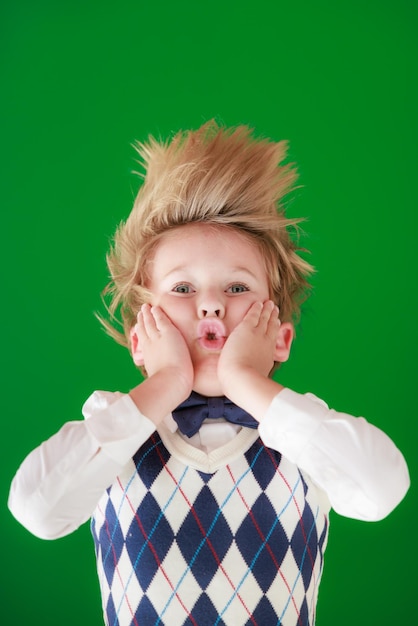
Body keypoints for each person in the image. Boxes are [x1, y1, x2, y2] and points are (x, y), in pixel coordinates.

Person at [8, 121, 410, 626]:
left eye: (238, 288)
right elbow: (36, 510)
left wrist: (249, 383)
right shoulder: (114, 441)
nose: (211, 305)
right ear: (140, 339)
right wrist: (162, 387)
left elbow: (382, 490)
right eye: (181, 289)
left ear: (280, 338)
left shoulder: (306, 441)